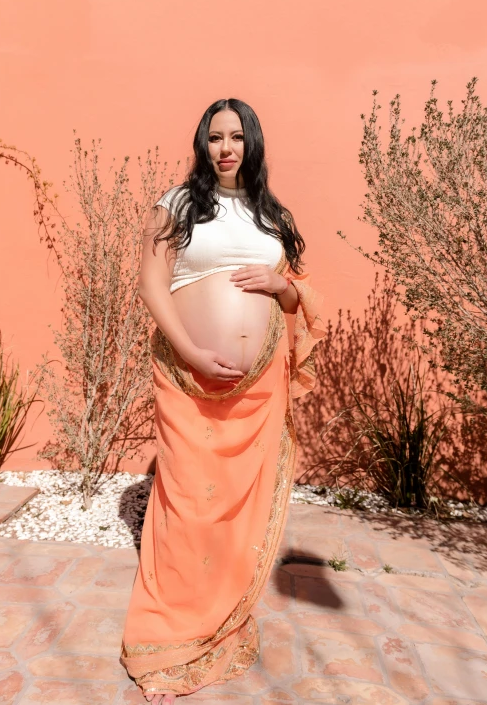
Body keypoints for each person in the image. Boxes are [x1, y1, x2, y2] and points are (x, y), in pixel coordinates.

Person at [120, 98, 325, 703]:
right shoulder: (177, 205)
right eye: (216, 137)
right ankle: (171, 632)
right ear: (202, 144)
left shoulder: (271, 217)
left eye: (237, 137)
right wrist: (190, 351)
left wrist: (282, 285)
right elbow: (152, 285)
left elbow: (298, 299)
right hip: (189, 378)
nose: (226, 148)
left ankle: (222, 611)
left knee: (240, 507)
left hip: (258, 391)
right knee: (188, 502)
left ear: (253, 143)